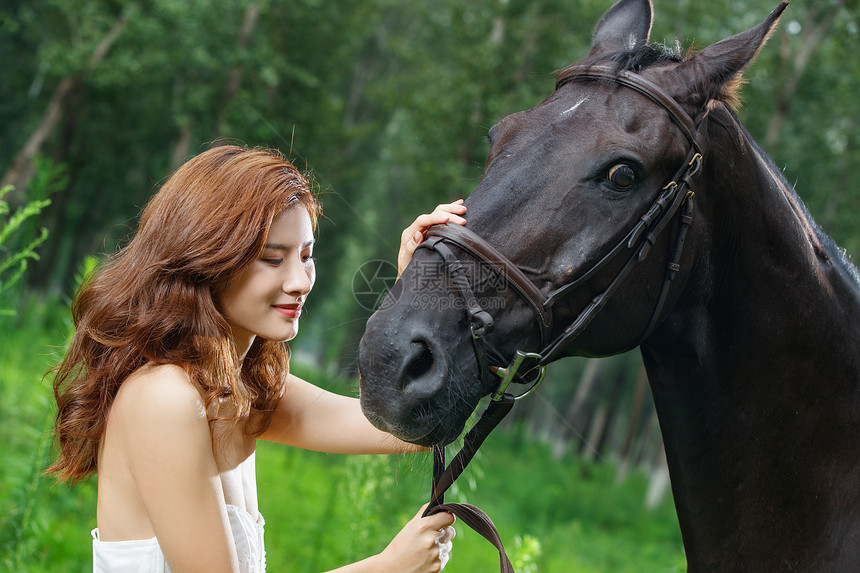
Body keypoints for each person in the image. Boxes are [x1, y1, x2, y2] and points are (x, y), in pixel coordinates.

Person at [47, 144, 468, 573]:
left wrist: (415, 287)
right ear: (207, 258)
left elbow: (404, 428)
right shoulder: (163, 398)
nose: (300, 281)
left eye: (306, 256)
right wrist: (389, 567)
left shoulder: (245, 386)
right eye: (272, 259)